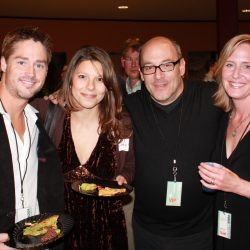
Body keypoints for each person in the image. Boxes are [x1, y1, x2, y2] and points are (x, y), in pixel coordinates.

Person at [124, 36, 223, 250]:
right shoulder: (129, 106)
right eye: (149, 67)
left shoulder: (212, 98)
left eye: (167, 65)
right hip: (146, 233)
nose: (158, 75)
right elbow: (92, 107)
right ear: (141, 73)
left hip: (200, 234)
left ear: (182, 67)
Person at [31, 46, 135, 250]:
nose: (90, 87)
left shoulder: (120, 124)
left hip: (107, 228)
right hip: (58, 228)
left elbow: (129, 164)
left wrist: (124, 176)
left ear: (108, 85)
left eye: (99, 79)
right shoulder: (47, 113)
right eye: (82, 77)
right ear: (70, 80)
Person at [0, 27, 64, 250]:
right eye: (21, 62)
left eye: (39, 65)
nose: (31, 73)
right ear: (3, 64)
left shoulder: (39, 123)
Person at [198, 34, 250, 250]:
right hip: (224, 235)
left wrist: (236, 185)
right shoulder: (223, 118)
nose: (236, 74)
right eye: (230, 64)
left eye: (247, 66)